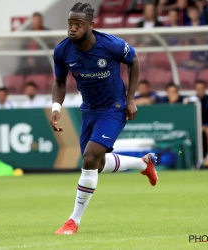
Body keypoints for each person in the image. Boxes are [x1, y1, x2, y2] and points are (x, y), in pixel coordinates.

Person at [51, 2, 158, 235]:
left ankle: (73, 221)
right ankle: (144, 164)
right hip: (89, 109)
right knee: (96, 165)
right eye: (70, 24)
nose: (72, 28)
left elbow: (134, 60)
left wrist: (130, 99)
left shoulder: (111, 45)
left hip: (114, 107)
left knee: (89, 158)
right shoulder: (62, 51)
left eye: (78, 24)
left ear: (91, 25)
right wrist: (56, 108)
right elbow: (60, 82)